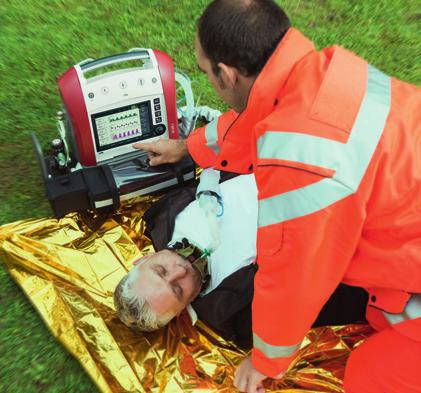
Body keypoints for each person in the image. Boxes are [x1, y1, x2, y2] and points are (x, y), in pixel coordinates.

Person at [134, 1, 421, 392]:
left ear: (228, 74)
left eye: (206, 72)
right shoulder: (331, 70)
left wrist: (266, 357)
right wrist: (190, 147)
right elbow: (255, 120)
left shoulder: (303, 165)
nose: (181, 272)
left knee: (372, 377)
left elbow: (295, 273)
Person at [114, 173, 368, 349]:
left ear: (144, 258)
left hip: (301, 156)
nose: (180, 269)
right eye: (177, 289)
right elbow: (334, 294)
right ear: (184, 309)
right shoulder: (236, 311)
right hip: (353, 214)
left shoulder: (164, 216)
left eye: (160, 270)